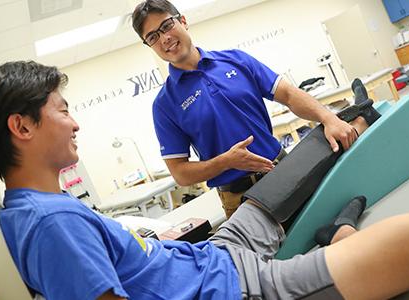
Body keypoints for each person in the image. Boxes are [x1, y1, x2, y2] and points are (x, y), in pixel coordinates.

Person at [0, 61, 409, 300]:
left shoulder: (43, 207)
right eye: (63, 111)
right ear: (22, 127)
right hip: (239, 286)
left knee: (303, 160)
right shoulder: (49, 226)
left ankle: (356, 122)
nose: (75, 124)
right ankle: (341, 235)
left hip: (214, 251)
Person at [132, 0, 369, 218]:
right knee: (276, 263)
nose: (164, 38)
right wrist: (226, 161)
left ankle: (364, 116)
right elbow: (180, 173)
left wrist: (328, 117)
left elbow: (287, 94)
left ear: (182, 21)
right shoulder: (164, 105)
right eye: (152, 36)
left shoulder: (236, 60)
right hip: (239, 200)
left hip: (285, 172)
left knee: (321, 231)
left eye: (166, 26)